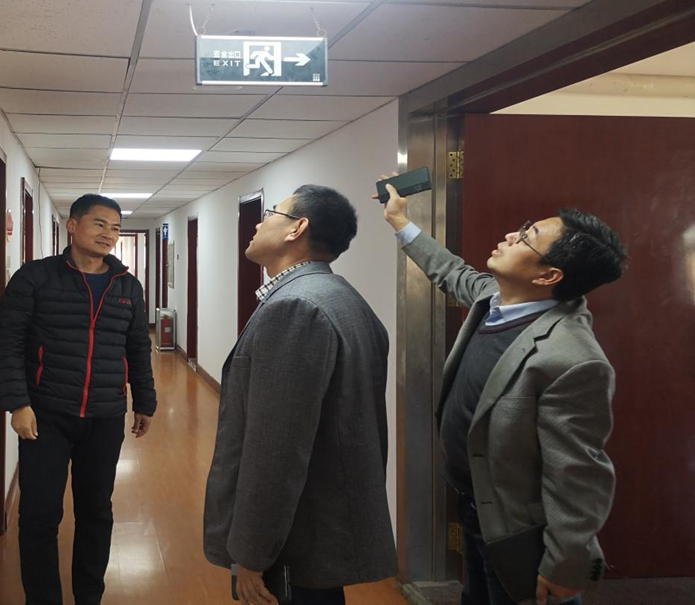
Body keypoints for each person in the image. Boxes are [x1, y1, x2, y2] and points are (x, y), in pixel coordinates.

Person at [377, 176, 627, 605]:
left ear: (549, 275)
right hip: (473, 503)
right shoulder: (496, 298)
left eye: (526, 237)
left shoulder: (572, 358)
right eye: (524, 227)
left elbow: (578, 475)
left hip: (518, 529)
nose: (511, 235)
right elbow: (451, 272)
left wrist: (565, 564)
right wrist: (400, 221)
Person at [204, 185, 397, 605]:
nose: (258, 225)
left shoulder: (295, 307)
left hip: (296, 537)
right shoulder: (343, 297)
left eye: (271, 214)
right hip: (321, 524)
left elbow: (276, 450)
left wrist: (251, 552)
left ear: (297, 228)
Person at [0, 194, 156, 605]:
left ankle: (89, 596)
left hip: (104, 416)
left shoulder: (127, 286)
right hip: (45, 414)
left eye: (116, 228)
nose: (109, 234)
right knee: (39, 515)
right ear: (72, 225)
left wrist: (145, 401)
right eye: (99, 224)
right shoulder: (35, 278)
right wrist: (17, 403)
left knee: (96, 512)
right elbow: (8, 342)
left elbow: (138, 347)